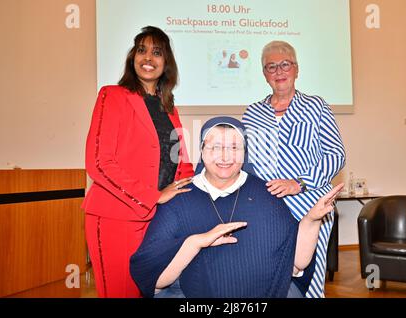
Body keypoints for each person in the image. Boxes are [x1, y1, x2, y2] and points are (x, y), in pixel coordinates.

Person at [129, 117, 343, 298]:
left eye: (234, 147)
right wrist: (196, 242)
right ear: (202, 152)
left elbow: (296, 265)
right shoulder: (179, 199)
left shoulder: (267, 196)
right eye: (216, 147)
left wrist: (311, 221)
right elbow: (155, 281)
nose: (225, 156)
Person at [82, 26, 194, 298]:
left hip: (158, 221)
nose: (148, 58)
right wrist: (153, 196)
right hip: (115, 218)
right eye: (142, 50)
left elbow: (182, 163)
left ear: (166, 62)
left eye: (157, 52)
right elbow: (98, 162)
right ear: (133, 57)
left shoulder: (169, 107)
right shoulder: (113, 95)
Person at [242, 41, 346, 298]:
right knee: (270, 276)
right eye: (271, 67)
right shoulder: (252, 113)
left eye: (285, 64)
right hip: (267, 210)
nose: (279, 71)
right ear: (264, 74)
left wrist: (299, 183)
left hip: (311, 206)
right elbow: (246, 163)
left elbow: (336, 155)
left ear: (296, 69)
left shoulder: (316, 106)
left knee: (309, 280)